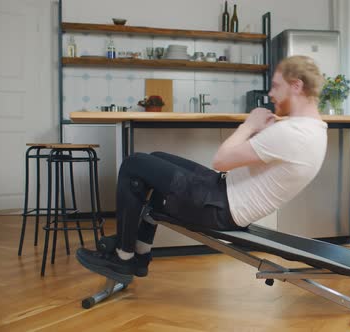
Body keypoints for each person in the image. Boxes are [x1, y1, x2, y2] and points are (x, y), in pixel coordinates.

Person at [76, 55, 329, 281]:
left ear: (296, 86)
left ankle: (123, 256)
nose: (271, 94)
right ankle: (138, 253)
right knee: (154, 159)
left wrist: (249, 125)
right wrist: (262, 133)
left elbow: (220, 160)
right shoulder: (313, 130)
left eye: (276, 86)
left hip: (219, 207)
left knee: (134, 164)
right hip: (223, 194)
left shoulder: (292, 132)